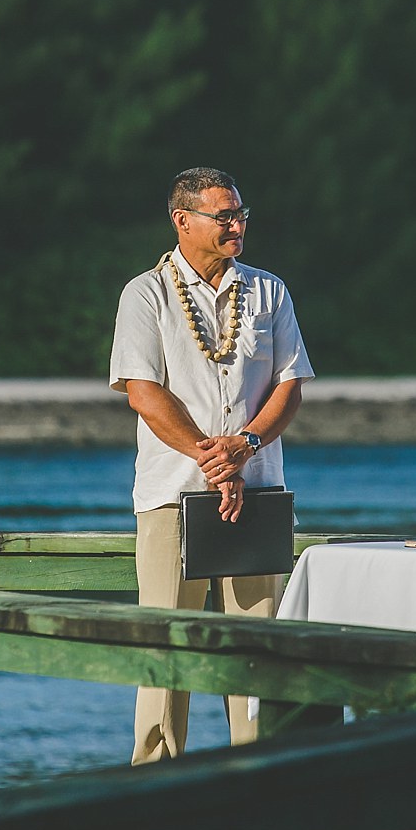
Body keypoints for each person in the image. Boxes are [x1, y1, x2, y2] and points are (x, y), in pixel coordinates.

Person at [108, 167, 314, 763]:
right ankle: (156, 782)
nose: (236, 225)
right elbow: (144, 392)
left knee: (256, 648)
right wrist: (211, 458)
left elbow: (289, 385)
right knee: (165, 647)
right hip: (172, 496)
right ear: (183, 220)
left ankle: (259, 776)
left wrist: (243, 448)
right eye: (223, 216)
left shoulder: (269, 291)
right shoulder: (144, 293)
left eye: (240, 214)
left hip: (258, 494)